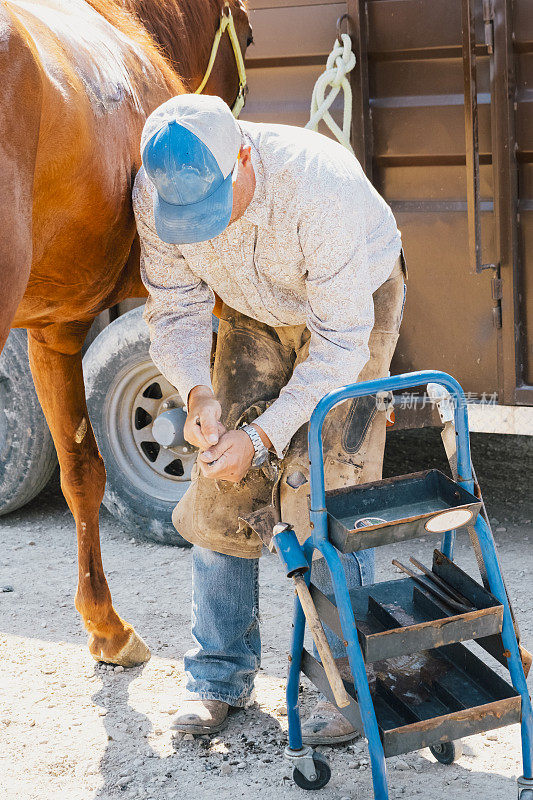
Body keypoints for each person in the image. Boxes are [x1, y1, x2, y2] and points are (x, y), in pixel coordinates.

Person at [132, 93, 406, 744]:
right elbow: (174, 306)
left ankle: (344, 683)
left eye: (213, 209)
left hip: (348, 308)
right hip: (254, 308)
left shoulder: (320, 187)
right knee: (220, 486)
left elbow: (341, 344)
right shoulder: (155, 191)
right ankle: (216, 677)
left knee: (327, 493)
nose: (203, 228)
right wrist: (198, 394)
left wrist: (260, 436)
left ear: (244, 157)